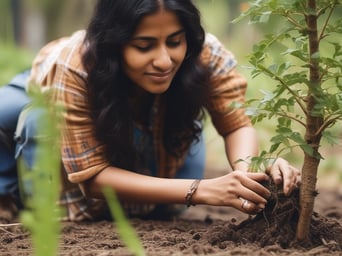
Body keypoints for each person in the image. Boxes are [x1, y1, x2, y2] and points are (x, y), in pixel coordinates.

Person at [0, 0, 300, 222]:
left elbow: (236, 124)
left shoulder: (206, 53)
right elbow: (91, 177)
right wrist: (200, 189)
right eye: (144, 46)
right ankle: (7, 190)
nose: (164, 61)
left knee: (169, 202)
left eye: (174, 42)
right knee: (23, 118)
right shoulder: (76, 66)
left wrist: (247, 175)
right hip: (50, 88)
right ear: (114, 45)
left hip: (150, 119)